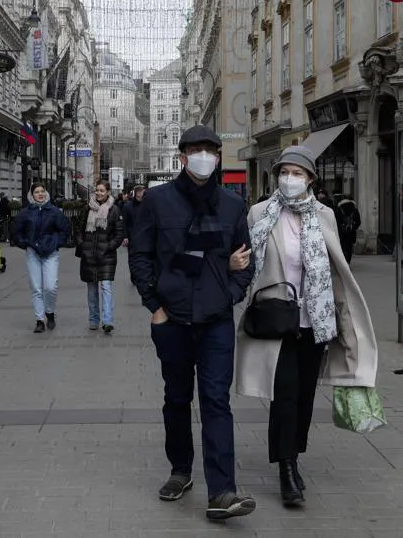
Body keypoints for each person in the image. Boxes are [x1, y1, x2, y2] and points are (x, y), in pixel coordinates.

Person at [236, 146, 379, 509]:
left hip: (316, 320)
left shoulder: (325, 215)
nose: (290, 179)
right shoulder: (259, 213)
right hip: (277, 319)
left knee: (304, 397)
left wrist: (345, 321)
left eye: (297, 174)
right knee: (283, 394)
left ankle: (294, 456)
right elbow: (245, 259)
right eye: (284, 172)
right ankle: (285, 469)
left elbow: (336, 270)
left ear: (310, 179)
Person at [129, 124, 257, 521]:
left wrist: (233, 294)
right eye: (195, 149)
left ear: (218, 156)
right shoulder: (157, 201)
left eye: (210, 149)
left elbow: (244, 260)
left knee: (217, 401)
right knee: (177, 398)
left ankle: (222, 491)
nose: (203, 155)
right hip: (173, 318)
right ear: (182, 156)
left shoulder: (232, 205)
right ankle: (180, 470)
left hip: (216, 319)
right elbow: (141, 256)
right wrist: (155, 305)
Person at [12, 183, 71, 333]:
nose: (40, 194)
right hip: (33, 253)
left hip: (50, 253)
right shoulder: (26, 213)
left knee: (50, 286)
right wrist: (25, 243)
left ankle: (49, 312)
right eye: (37, 192)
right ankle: (39, 319)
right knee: (36, 287)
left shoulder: (54, 211)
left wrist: (56, 242)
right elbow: (15, 231)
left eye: (42, 191)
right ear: (31, 195)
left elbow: (65, 229)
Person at [75, 180, 126, 334]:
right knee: (91, 289)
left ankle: (107, 321)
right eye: (97, 190)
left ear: (108, 192)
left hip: (106, 256)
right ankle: (93, 319)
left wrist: (109, 246)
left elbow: (119, 233)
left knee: (106, 287)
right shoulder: (87, 208)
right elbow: (78, 229)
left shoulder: (114, 210)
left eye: (102, 190)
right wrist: (83, 245)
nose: (99, 193)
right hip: (89, 254)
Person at [335, 195, 361, 263]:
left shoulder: (339, 209)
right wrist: (353, 228)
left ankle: (344, 262)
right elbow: (358, 222)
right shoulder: (354, 209)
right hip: (351, 232)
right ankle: (348, 261)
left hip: (342, 232)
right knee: (349, 248)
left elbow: (336, 221)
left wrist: (339, 228)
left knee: (343, 247)